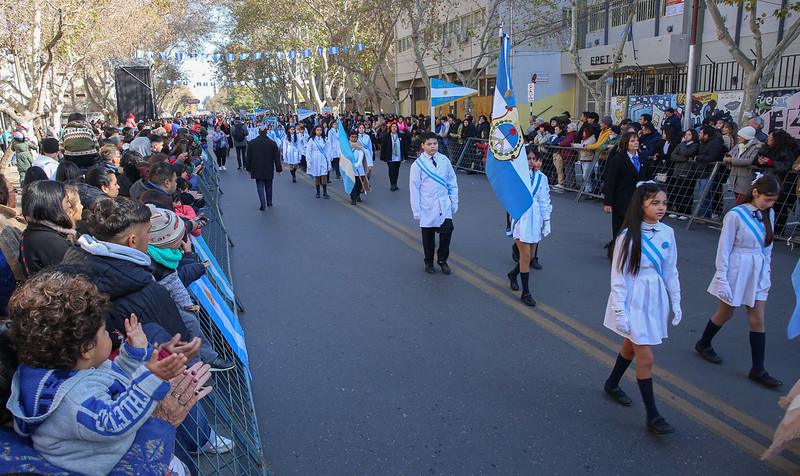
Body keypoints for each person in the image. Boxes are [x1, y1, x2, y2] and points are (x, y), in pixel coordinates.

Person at [6, 270, 190, 475]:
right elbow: (113, 422)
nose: (108, 334)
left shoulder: (60, 366)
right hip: (108, 462)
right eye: (103, 332)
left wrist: (133, 355)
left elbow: (110, 380)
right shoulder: (73, 399)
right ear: (86, 349)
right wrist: (152, 380)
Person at [602, 182, 681, 434]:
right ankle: (653, 415)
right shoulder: (627, 237)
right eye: (655, 203)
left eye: (664, 203)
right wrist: (620, 312)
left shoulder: (668, 233)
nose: (661, 208)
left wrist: (676, 301)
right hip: (633, 299)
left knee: (631, 345)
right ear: (641, 205)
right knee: (645, 356)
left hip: (653, 297)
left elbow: (670, 270)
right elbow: (618, 278)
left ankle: (612, 382)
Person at [696, 174, 782, 389]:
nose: (770, 204)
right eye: (767, 199)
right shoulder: (735, 215)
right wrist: (722, 276)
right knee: (726, 312)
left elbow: (768, 248)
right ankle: (703, 342)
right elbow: (724, 248)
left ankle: (758, 369)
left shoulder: (769, 213)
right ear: (755, 192)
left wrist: (767, 272)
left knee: (758, 319)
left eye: (773, 201)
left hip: (758, 269)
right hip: (737, 267)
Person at [506, 147, 551, 306]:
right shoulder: (516, 176)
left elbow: (545, 200)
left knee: (531, 256)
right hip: (521, 218)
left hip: (535, 218)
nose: (531, 162)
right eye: (528, 158)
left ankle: (513, 274)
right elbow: (509, 197)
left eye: (533, 158)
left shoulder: (541, 178)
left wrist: (546, 221)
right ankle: (526, 292)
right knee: (525, 257)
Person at [409, 131, 459, 275]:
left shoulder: (444, 160)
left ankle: (442, 260)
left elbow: (452, 181)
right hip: (427, 206)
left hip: (444, 205)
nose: (433, 147)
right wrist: (416, 210)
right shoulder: (417, 165)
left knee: (447, 230)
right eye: (429, 144)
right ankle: (429, 261)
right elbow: (414, 188)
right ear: (423, 145)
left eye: (435, 143)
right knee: (428, 237)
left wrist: (454, 201)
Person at [19, 180, 79, 277]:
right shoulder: (51, 242)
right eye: (67, 201)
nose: (69, 206)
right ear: (53, 205)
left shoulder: (33, 231)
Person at [604, 132, 654, 248]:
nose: (635, 143)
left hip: (639, 199)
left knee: (637, 224)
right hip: (621, 199)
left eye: (637, 140)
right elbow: (611, 181)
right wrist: (608, 202)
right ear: (626, 143)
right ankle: (617, 248)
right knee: (621, 226)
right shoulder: (618, 159)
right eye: (632, 141)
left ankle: (634, 248)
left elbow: (648, 177)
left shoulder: (643, 158)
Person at [246, 126, 282, 210]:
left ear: (258, 132)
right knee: (269, 185)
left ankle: (262, 202)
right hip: (268, 167)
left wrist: (248, 168)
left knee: (260, 185)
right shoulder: (272, 143)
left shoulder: (252, 143)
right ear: (266, 133)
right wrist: (279, 169)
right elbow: (277, 157)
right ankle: (269, 201)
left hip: (256, 167)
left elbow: (248, 157)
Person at [666, 129, 701, 218]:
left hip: (687, 172)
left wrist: (682, 145)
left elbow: (687, 152)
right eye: (686, 134)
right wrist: (684, 159)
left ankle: (686, 212)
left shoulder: (695, 145)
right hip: (677, 171)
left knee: (686, 193)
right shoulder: (681, 144)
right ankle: (677, 210)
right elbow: (673, 156)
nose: (687, 136)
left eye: (689, 134)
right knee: (677, 192)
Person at [724, 125, 763, 203]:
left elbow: (749, 161)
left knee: (744, 202)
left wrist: (733, 160)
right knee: (738, 200)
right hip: (735, 177)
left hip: (746, 179)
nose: (738, 138)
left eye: (740, 136)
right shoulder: (738, 146)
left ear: (747, 137)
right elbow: (728, 155)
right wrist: (726, 159)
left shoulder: (757, 147)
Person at [381, 122, 408, 191]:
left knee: (396, 170)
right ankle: (392, 184)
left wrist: (405, 156)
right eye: (392, 126)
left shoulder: (401, 136)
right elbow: (383, 147)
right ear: (390, 128)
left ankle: (395, 183)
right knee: (391, 169)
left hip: (398, 156)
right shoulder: (387, 136)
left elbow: (405, 146)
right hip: (390, 156)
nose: (394, 128)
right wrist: (383, 156)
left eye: (395, 127)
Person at [306, 125, 331, 199]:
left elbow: (327, 150)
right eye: (318, 130)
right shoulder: (312, 140)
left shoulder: (325, 139)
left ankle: (325, 191)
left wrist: (328, 161)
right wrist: (308, 161)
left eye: (320, 130)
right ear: (315, 131)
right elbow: (308, 151)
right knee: (317, 175)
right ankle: (317, 192)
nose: (319, 131)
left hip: (322, 157)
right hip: (315, 158)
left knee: (323, 174)